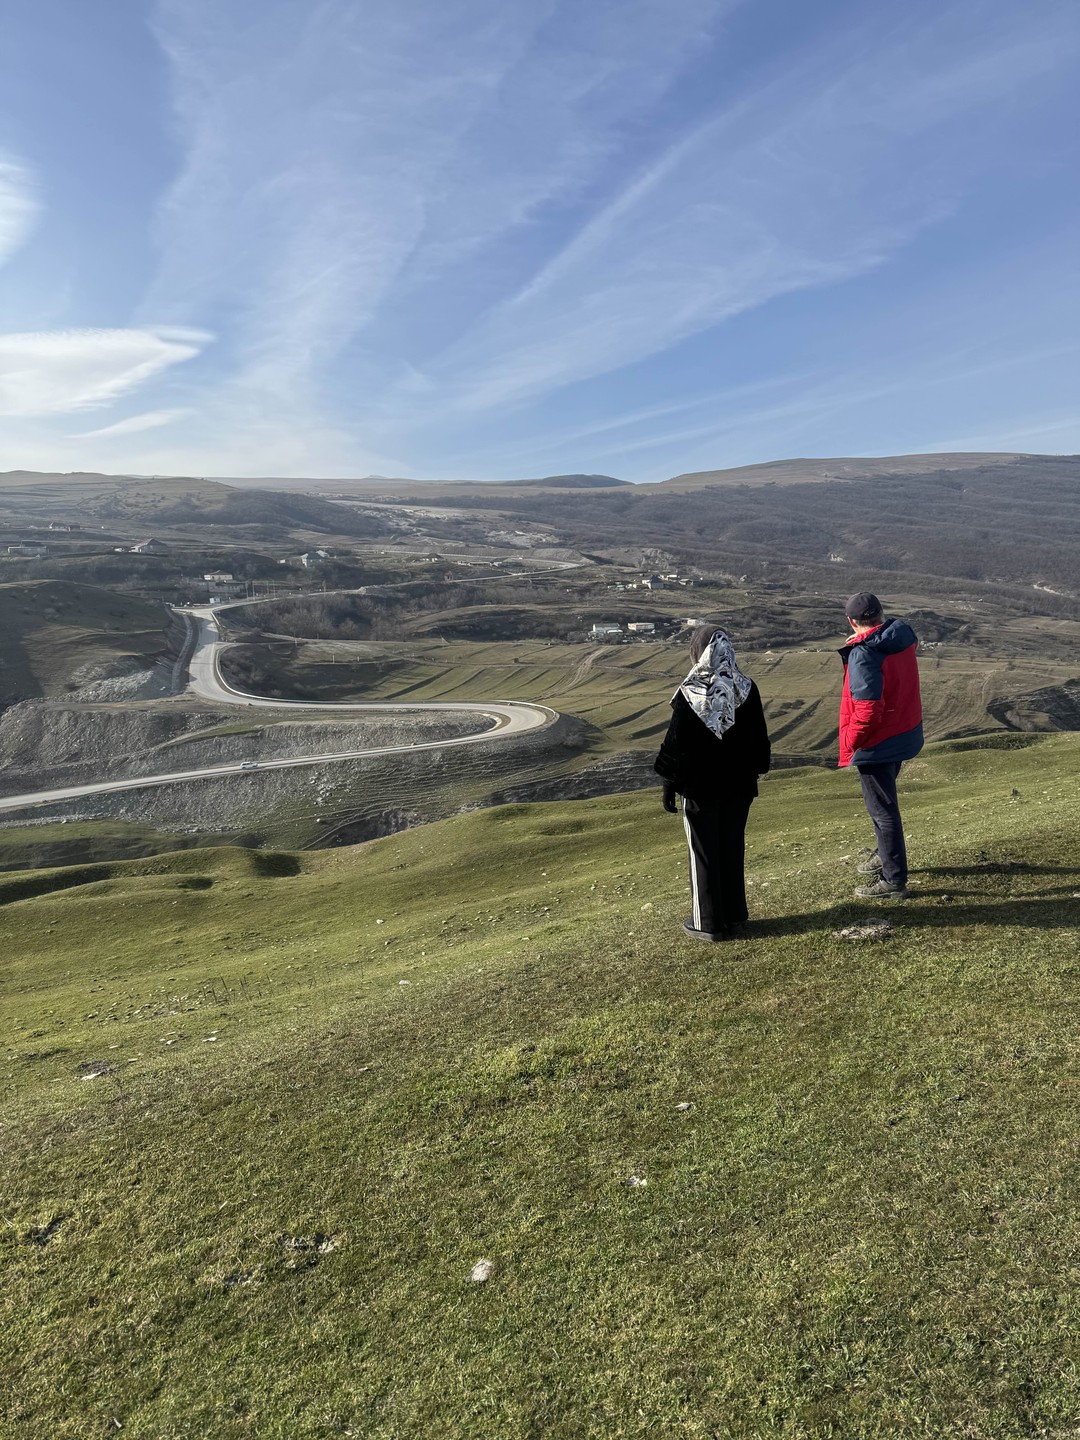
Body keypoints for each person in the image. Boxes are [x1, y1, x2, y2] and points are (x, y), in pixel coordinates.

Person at [654, 625, 771, 941]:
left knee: (703, 853)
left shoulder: (691, 691)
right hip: (740, 786)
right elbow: (760, 739)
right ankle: (734, 917)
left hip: (700, 789)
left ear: (698, 651)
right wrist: (758, 768)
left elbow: (675, 743)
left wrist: (668, 782)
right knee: (732, 847)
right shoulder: (746, 687)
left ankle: (707, 923)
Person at [838, 592, 923, 900]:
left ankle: (893, 881)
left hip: (878, 743)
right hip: (903, 732)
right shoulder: (899, 637)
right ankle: (885, 855)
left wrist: (849, 742)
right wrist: (865, 642)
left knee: (882, 810)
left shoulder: (866, 654)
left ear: (851, 621)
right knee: (884, 806)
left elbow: (867, 711)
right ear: (880, 616)